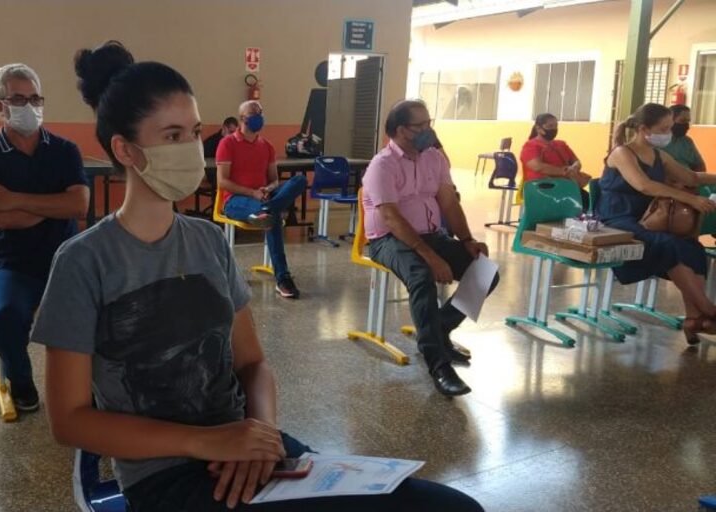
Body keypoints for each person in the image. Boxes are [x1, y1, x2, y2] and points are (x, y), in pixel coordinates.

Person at [30, 41, 484, 512]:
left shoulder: (208, 241)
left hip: (253, 447)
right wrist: (207, 442)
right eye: (171, 135)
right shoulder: (84, 261)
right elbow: (70, 421)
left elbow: (252, 364)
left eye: (194, 132)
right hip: (167, 478)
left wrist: (261, 436)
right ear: (126, 149)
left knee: (453, 508)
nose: (190, 147)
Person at [0, 63, 89, 412]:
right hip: (10, 260)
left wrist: (15, 198)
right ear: (0, 106)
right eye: (19, 99)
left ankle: (92, 385)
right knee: (5, 315)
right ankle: (21, 379)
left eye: (35, 98)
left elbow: (79, 206)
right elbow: (2, 219)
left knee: (103, 310)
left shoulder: (64, 150)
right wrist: (54, 205)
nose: (30, 106)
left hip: (64, 257)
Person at [363, 100, 498, 397]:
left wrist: (467, 240)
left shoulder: (434, 158)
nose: (429, 130)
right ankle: (438, 364)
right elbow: (391, 218)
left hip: (431, 234)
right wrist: (431, 257)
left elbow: (449, 202)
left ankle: (438, 329)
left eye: (429, 123)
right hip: (387, 239)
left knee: (485, 271)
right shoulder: (382, 165)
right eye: (421, 126)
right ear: (402, 130)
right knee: (421, 276)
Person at [599, 103, 716, 345]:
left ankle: (693, 318)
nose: (668, 134)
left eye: (670, 128)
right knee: (668, 244)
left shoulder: (659, 155)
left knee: (693, 247)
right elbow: (644, 185)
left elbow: (691, 177)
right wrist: (690, 199)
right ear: (643, 129)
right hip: (618, 218)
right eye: (663, 129)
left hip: (649, 218)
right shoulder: (622, 153)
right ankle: (708, 309)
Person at [216, 100, 307, 299]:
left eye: (260, 112)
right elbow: (222, 181)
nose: (259, 116)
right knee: (272, 217)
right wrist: (252, 193)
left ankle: (267, 209)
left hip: (263, 196)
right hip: (236, 200)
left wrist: (269, 188)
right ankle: (283, 278)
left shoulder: (266, 146)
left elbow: (274, 179)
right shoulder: (228, 143)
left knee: (299, 181)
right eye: (254, 113)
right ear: (242, 118)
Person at [520, 113, 591, 210]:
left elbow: (576, 161)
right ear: (538, 128)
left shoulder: (561, 144)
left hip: (566, 187)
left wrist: (574, 167)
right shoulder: (531, 146)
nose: (554, 129)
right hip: (543, 190)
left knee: (591, 203)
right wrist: (564, 171)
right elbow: (538, 166)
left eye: (555, 126)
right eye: (550, 126)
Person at [663, 104, 707, 172]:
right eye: (682, 121)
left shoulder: (687, 141)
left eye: (688, 121)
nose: (687, 126)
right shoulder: (658, 141)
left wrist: (694, 177)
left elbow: (700, 165)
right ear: (670, 121)